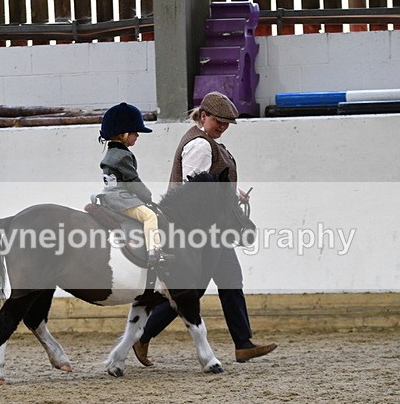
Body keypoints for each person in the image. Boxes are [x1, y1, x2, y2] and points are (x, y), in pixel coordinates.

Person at [132, 91, 277, 364]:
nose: (223, 127)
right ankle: (141, 333)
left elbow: (209, 183)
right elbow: (195, 189)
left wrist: (234, 193)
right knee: (193, 289)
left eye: (226, 123)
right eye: (218, 121)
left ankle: (243, 343)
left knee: (230, 279)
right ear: (204, 116)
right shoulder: (199, 146)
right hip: (199, 230)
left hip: (211, 228)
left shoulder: (207, 141)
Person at [97, 102, 169, 264]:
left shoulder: (112, 152)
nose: (137, 136)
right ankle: (154, 252)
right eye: (134, 132)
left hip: (109, 195)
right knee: (150, 216)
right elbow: (133, 182)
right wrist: (147, 196)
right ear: (123, 134)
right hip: (120, 199)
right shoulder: (123, 156)